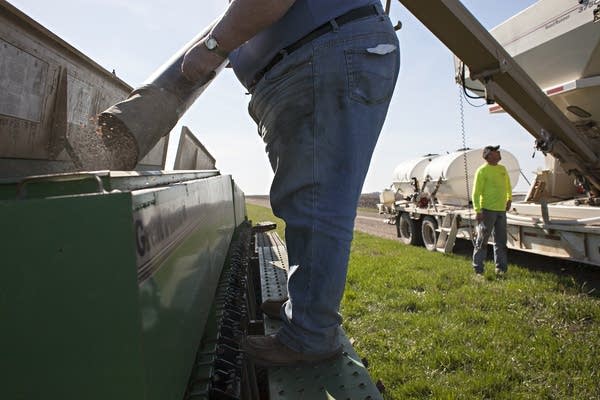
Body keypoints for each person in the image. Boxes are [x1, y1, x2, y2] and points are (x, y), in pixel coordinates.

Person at [181, 0, 400, 366]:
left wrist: (214, 47)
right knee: (305, 202)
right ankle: (303, 313)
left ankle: (309, 337)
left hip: (319, 51)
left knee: (315, 203)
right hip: (313, 54)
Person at [472, 145, 512, 276]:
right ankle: (478, 269)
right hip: (487, 211)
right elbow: (476, 193)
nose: (499, 153)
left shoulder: (502, 169)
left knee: (501, 242)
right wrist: (478, 210)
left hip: (501, 211)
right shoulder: (482, 171)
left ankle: (501, 269)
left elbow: (508, 185)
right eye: (496, 151)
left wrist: (509, 199)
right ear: (489, 155)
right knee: (482, 241)